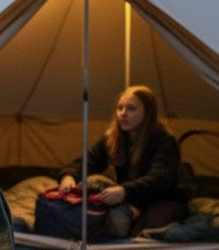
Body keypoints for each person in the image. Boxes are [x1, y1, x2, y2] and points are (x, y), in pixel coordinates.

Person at [58, 85, 187, 236]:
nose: (123, 114)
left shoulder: (164, 140)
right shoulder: (113, 137)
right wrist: (69, 176)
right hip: (128, 199)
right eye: (120, 108)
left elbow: (160, 178)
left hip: (160, 199)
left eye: (131, 109)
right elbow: (89, 162)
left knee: (150, 229)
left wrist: (125, 191)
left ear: (148, 112)